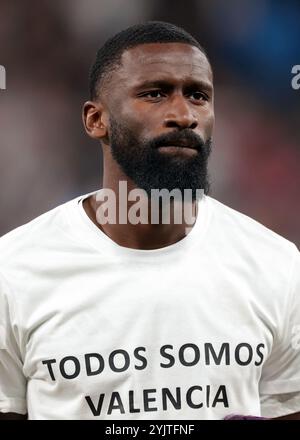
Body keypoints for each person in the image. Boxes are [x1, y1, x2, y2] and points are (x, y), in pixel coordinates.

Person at [0, 21, 299, 421]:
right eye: (154, 94)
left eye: (198, 96)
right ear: (95, 120)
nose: (183, 114)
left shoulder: (276, 265)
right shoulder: (15, 270)